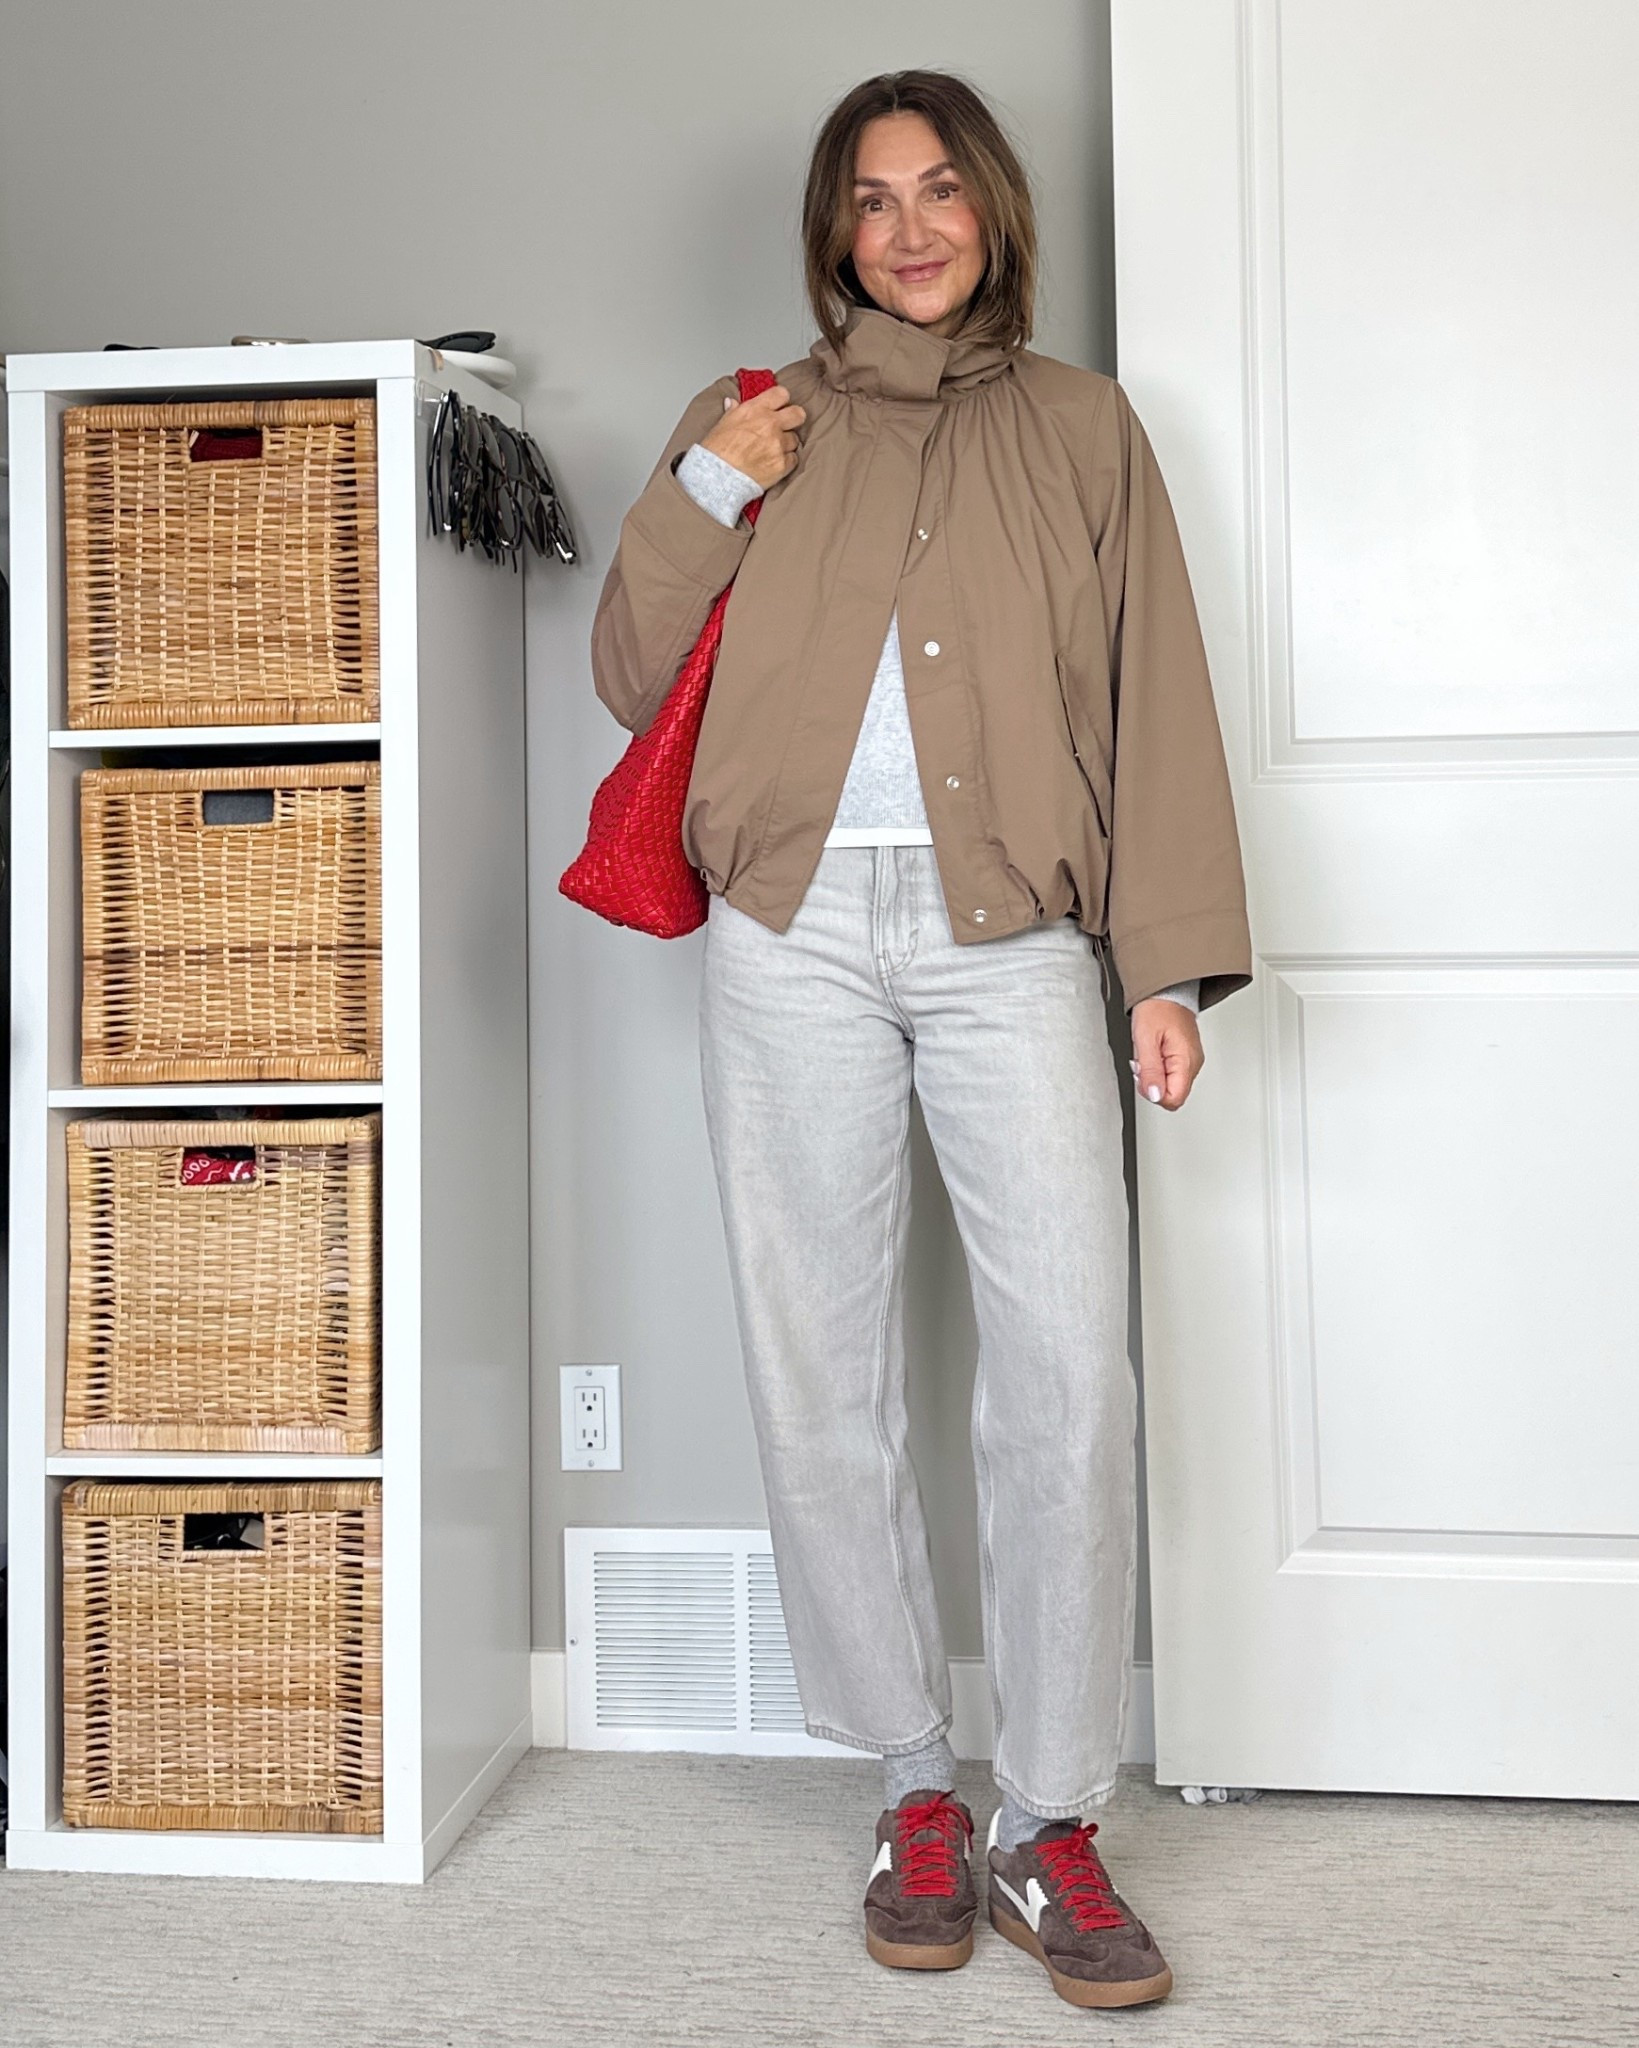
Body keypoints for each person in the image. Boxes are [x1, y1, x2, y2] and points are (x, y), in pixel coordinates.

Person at [590, 68, 1251, 2013]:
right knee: (823, 1377)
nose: (907, 226)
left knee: (1065, 1375)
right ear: (833, 233)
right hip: (787, 928)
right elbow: (633, 672)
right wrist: (715, 475)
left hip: (1015, 935)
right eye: (870, 198)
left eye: (938, 188)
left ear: (990, 213)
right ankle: (910, 1790)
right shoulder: (752, 423)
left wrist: (1161, 960)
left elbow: (1154, 699)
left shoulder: (1077, 427)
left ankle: (1051, 1815)